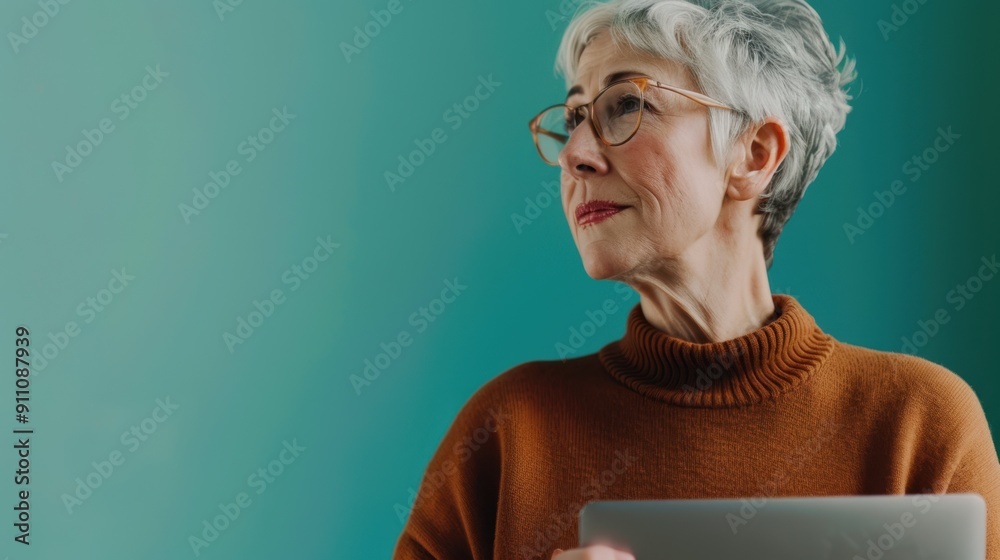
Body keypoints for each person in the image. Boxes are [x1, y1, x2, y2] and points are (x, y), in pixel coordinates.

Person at [393, 0, 1000, 558]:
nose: (576, 152)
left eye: (624, 104)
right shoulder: (506, 430)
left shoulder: (920, 425)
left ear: (755, 154)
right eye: (576, 116)